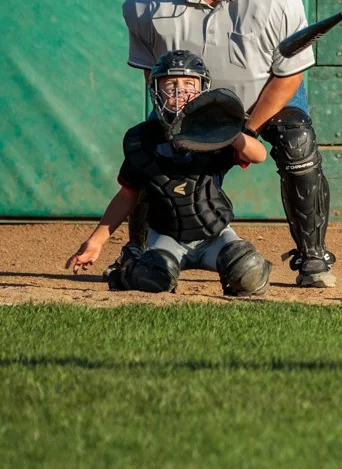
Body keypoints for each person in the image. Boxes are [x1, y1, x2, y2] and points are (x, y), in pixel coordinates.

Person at [122, 0, 336, 287]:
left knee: (297, 138)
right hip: (191, 104)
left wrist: (246, 131)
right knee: (153, 147)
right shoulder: (147, 1)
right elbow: (155, 77)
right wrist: (179, 121)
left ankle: (313, 256)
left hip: (265, 96)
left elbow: (289, 76)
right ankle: (138, 251)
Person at [65, 50, 274, 297]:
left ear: (203, 89)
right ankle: (127, 271)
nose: (180, 91)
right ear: (156, 90)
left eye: (189, 84)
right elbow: (126, 196)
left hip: (215, 236)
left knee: (249, 270)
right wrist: (96, 241)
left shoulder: (216, 133)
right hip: (168, 239)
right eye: (170, 84)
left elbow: (259, 155)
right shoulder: (141, 139)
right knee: (153, 276)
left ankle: (232, 274)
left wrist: (230, 134)